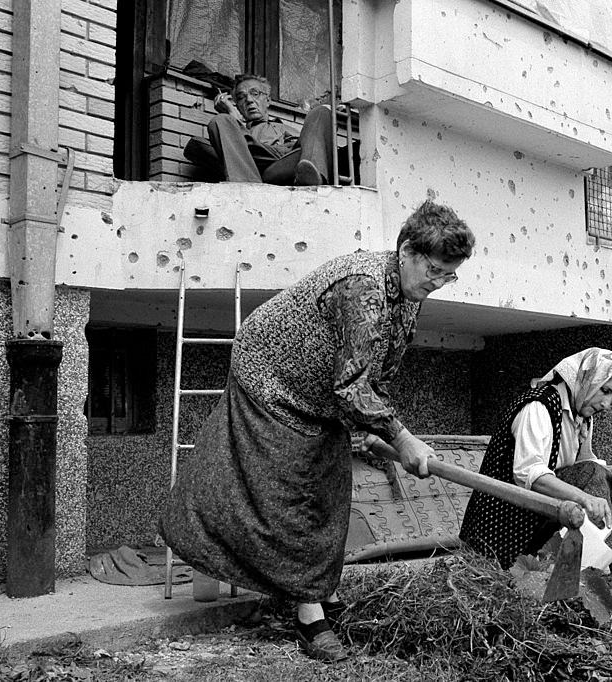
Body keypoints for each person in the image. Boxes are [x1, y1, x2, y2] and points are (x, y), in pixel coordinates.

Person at [160, 200, 475, 662]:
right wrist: (402, 438)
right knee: (294, 496)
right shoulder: (364, 288)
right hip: (270, 381)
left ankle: (322, 591)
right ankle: (311, 620)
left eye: (449, 274)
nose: (438, 281)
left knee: (330, 489)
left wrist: (372, 431)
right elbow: (351, 386)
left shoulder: (407, 299)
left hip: (321, 398)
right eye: (434, 269)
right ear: (407, 250)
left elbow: (372, 375)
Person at [459, 347, 612, 570]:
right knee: (592, 481)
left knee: (602, 478)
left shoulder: (581, 415)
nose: (607, 404)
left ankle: (593, 568)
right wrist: (585, 498)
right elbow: (530, 474)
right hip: (502, 526)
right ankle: (602, 571)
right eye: (604, 390)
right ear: (585, 378)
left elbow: (582, 466)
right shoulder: (538, 405)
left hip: (536, 517)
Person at [203, 73, 334, 185]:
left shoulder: (282, 128)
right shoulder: (232, 127)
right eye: (241, 97)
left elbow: (302, 147)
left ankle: (312, 178)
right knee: (219, 120)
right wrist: (233, 116)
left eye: (255, 93)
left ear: (268, 100)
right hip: (256, 169)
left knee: (321, 112)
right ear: (237, 105)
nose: (249, 100)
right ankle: (247, 186)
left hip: (283, 163)